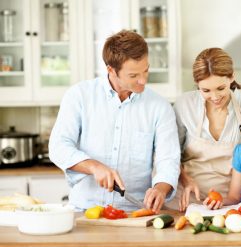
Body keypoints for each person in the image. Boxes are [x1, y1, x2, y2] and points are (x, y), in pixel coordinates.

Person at [49, 30, 180, 213]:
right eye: (133, 75)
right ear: (111, 70)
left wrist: (160, 188)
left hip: (133, 213)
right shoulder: (79, 96)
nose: (143, 80)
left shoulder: (160, 107)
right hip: (84, 210)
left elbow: (169, 159)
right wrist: (94, 167)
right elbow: (58, 147)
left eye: (146, 70)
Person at [164, 48, 241, 211]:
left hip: (231, 204)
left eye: (221, 88)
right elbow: (170, 153)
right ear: (197, 85)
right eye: (206, 90)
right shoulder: (185, 104)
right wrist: (185, 179)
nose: (215, 97)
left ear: (232, 77)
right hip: (186, 203)